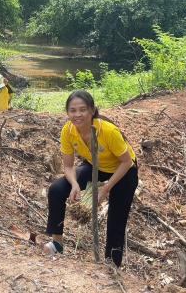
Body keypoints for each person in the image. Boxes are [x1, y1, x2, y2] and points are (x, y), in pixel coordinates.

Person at [44, 90, 138, 267]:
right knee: (57, 189)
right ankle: (57, 242)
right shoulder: (68, 130)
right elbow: (69, 166)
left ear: (92, 111)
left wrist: (105, 189)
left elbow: (126, 162)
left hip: (124, 170)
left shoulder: (108, 131)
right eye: (72, 110)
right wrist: (74, 184)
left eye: (82, 110)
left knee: (117, 217)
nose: (77, 114)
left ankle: (112, 263)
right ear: (67, 112)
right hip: (95, 165)